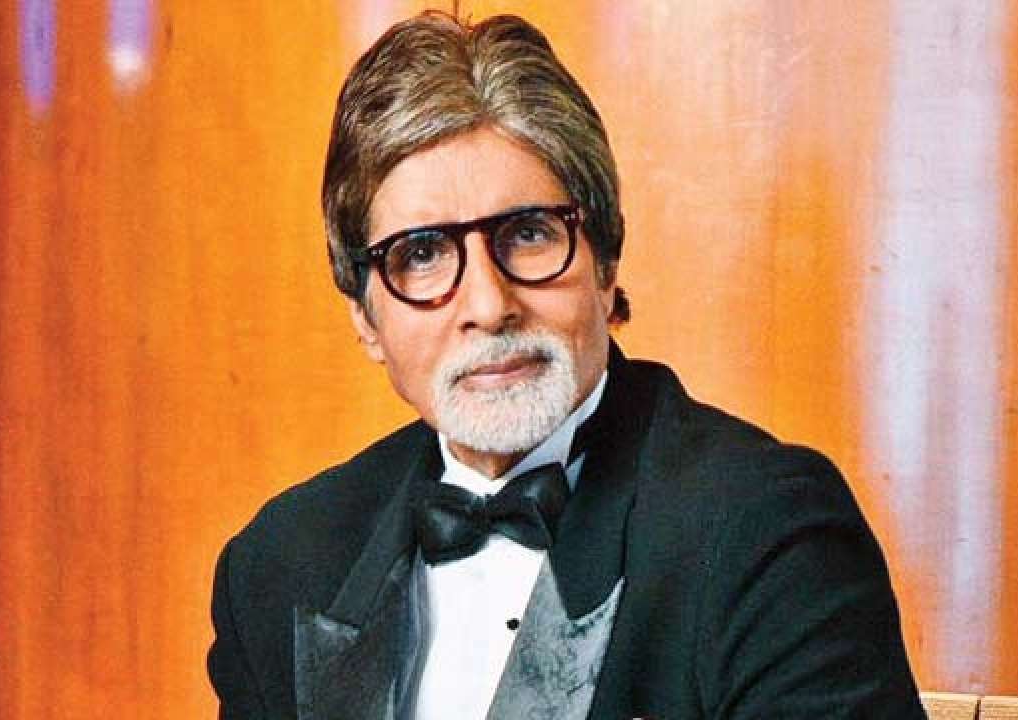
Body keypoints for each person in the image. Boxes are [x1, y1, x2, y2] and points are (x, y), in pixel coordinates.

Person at [208, 10, 924, 720]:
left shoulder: (765, 530)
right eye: (421, 253)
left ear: (605, 263)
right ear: (365, 318)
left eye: (528, 234)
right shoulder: (279, 564)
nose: (489, 305)